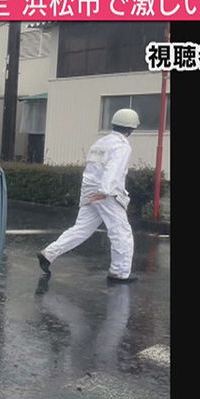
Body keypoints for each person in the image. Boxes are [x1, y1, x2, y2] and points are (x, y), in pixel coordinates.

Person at [38, 108, 141, 283]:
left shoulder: (100, 143)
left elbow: (92, 169)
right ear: (130, 129)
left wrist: (93, 193)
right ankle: (120, 272)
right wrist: (105, 191)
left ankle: (49, 254)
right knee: (121, 232)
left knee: (81, 229)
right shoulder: (122, 145)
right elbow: (113, 169)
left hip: (89, 191)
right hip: (106, 194)